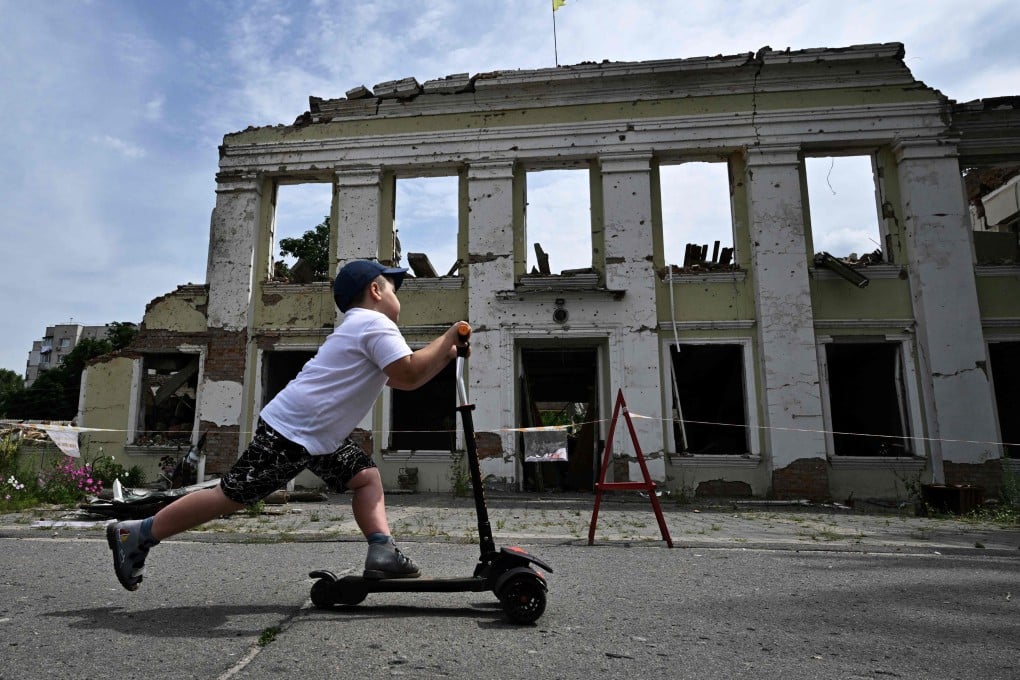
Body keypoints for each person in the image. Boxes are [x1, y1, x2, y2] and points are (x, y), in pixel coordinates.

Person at [107, 259, 469, 591]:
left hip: (317, 435)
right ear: (376, 290)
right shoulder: (376, 324)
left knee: (365, 477)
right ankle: (137, 533)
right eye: (393, 288)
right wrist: (450, 335)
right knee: (229, 498)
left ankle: (382, 550)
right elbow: (408, 372)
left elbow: (404, 379)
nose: (397, 298)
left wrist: (445, 354)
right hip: (294, 431)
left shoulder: (359, 327)